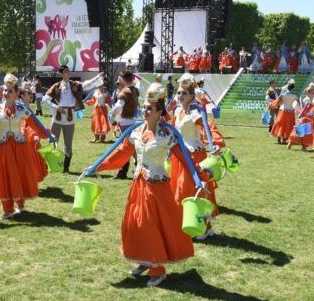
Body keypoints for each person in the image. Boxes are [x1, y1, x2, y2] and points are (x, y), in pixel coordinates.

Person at [86, 82, 195, 286]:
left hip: (156, 188)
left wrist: (199, 178)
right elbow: (120, 154)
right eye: (144, 107)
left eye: (149, 108)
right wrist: (97, 167)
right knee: (134, 223)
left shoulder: (167, 134)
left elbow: (184, 158)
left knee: (150, 226)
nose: (144, 111)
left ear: (159, 111)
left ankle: (158, 269)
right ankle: (144, 260)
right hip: (138, 186)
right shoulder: (136, 131)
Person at [0, 74, 54, 219]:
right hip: (2, 148)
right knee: (4, 176)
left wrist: (49, 135)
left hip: (20, 147)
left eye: (10, 91)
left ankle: (20, 204)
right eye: (5, 90)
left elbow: (36, 125)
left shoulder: (22, 110)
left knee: (19, 174)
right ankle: (8, 209)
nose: (6, 94)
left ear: (16, 94)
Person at [169, 74, 224, 239]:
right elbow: (172, 130)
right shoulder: (178, 110)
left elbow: (209, 127)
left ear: (192, 96)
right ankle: (194, 224)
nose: (180, 96)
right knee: (181, 191)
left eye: (184, 93)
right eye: (179, 93)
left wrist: (215, 144)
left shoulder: (195, 112)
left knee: (196, 190)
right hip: (180, 155)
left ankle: (205, 227)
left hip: (195, 156)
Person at [43, 66, 104, 173]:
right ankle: (50, 165)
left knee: (68, 144)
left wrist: (97, 77)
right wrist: (56, 107)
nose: (68, 73)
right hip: (57, 118)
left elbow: (86, 84)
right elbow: (45, 99)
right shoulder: (56, 86)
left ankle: (66, 168)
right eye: (66, 72)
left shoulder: (75, 84)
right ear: (61, 74)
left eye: (69, 71)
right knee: (52, 141)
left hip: (70, 118)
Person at [108, 70, 140, 179]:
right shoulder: (135, 90)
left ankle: (136, 171)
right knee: (130, 148)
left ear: (123, 79)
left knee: (129, 149)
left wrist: (112, 116)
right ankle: (125, 172)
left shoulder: (125, 91)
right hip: (131, 121)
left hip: (125, 123)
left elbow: (118, 107)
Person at [287, 83, 314, 151]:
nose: (313, 91)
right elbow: (303, 109)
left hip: (307, 118)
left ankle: (301, 146)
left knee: (302, 131)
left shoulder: (310, 98)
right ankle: (293, 143)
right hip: (305, 118)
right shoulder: (307, 99)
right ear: (310, 91)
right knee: (302, 131)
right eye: (312, 90)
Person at [270, 80, 299, 145]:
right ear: (293, 88)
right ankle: (285, 139)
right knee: (289, 125)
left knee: (280, 124)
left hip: (283, 110)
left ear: (287, 87)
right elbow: (298, 103)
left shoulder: (283, 94)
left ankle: (279, 138)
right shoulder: (295, 95)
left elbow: (277, 102)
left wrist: (271, 105)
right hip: (290, 111)